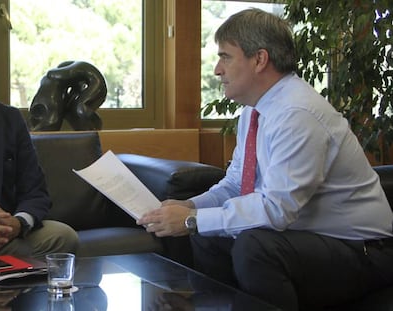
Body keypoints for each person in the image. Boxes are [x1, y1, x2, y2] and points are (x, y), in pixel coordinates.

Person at [137, 8, 393, 311]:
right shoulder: (254, 112)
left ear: (259, 59)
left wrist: (192, 220)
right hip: (308, 240)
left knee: (254, 246)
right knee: (206, 235)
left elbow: (277, 209)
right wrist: (190, 207)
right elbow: (235, 184)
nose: (218, 69)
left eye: (226, 57)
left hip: (363, 251)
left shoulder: (297, 114)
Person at [0, 48, 79, 259]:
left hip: (3, 236)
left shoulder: (9, 120)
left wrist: (18, 223)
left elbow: (35, 191)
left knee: (62, 236)